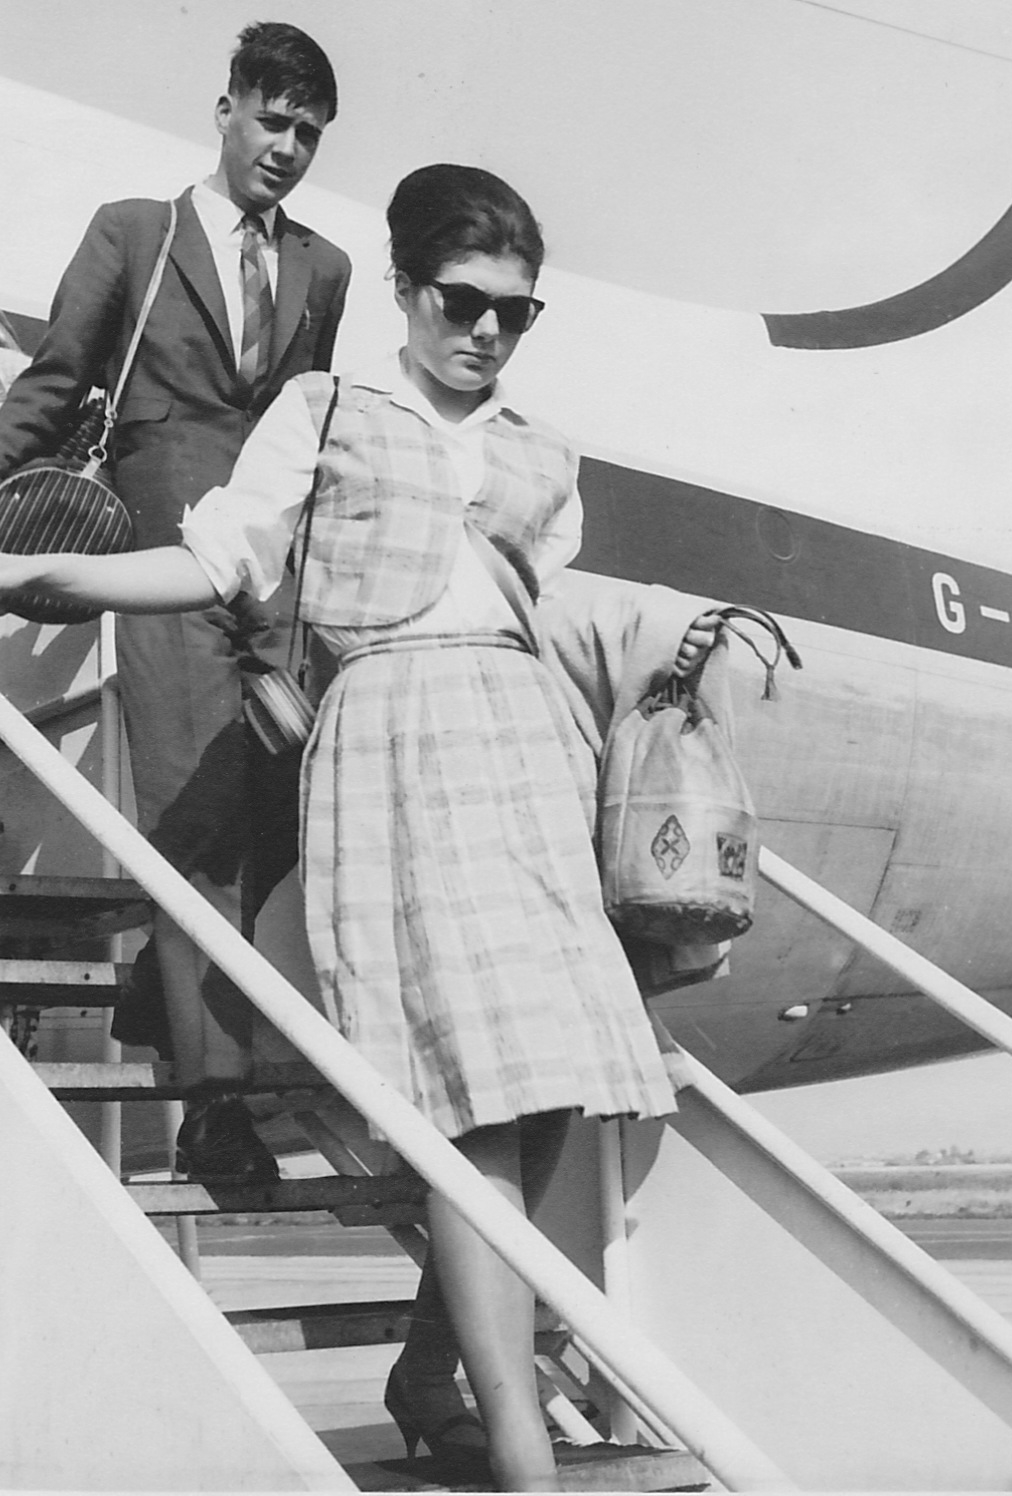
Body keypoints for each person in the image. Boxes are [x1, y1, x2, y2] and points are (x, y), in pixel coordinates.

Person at [0, 163, 718, 1491]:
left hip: (529, 753)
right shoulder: (321, 411)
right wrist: (45, 567)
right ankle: (525, 1462)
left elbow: (539, 616)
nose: (487, 331)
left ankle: (431, 1373)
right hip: (394, 746)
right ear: (401, 286)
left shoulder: (544, 452)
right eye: (461, 300)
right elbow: (217, 561)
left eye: (516, 311)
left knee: (555, 1094)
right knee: (478, 1110)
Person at [0, 23, 351, 1181]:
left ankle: (166, 991)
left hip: (270, 569)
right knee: (197, 809)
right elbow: (54, 387)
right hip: (162, 557)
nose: (286, 148)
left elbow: (307, 425)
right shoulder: (135, 233)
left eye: (308, 133)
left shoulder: (325, 270)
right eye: (272, 120)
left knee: (283, 801)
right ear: (226, 109)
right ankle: (214, 1105)